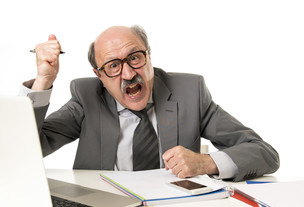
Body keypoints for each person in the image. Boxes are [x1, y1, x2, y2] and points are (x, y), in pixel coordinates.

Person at [20, 25, 279, 182]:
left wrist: (206, 163)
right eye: (113, 65)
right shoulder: (87, 97)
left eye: (135, 57)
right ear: (99, 75)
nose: (128, 73)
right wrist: (44, 80)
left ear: (149, 56)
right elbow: (25, 148)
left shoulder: (189, 93)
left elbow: (264, 153)